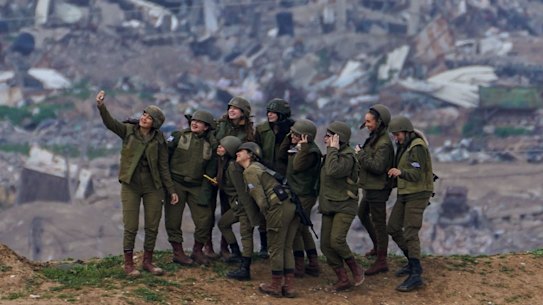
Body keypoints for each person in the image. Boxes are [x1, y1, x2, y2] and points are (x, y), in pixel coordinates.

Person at [95, 90, 179, 277]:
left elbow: (163, 167)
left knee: (152, 225)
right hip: (130, 185)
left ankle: (148, 261)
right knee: (131, 225)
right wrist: (101, 107)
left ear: (155, 123)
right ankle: (128, 264)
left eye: (149, 118)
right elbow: (110, 123)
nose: (144, 119)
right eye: (144, 115)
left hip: (153, 187)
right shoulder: (128, 131)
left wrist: (171, 190)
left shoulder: (159, 140)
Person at [236, 142, 299, 298]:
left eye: (241, 151)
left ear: (250, 154)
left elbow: (261, 200)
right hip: (291, 204)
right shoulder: (261, 168)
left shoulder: (250, 171)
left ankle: (276, 286)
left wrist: (267, 216)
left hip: (277, 207)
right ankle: (289, 287)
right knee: (286, 247)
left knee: (275, 247)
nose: (237, 153)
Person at [386, 116, 434, 292]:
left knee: (411, 232)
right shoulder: (405, 147)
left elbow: (416, 174)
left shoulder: (417, 148)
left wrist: (400, 172)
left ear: (406, 132)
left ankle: (416, 274)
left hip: (418, 193)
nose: (395, 138)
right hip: (405, 192)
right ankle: (412, 260)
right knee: (392, 227)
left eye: (397, 134)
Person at [164, 110, 218, 266]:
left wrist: (205, 190)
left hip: (197, 185)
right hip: (176, 183)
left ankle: (197, 250)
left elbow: (211, 170)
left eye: (199, 122)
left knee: (204, 219)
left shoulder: (210, 146)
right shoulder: (179, 137)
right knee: (173, 220)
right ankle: (178, 252)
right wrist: (167, 186)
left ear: (206, 127)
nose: (194, 123)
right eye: (193, 120)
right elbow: (165, 158)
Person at [318, 121, 364, 292]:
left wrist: (332, 149)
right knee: (325, 245)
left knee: (336, 240)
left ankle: (355, 269)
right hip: (329, 204)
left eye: (329, 136)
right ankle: (342, 278)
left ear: (339, 139)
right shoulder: (333, 154)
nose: (325, 139)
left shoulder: (347, 157)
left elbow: (333, 171)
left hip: (345, 205)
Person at [209, 96, 256, 259]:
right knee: (208, 211)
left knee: (228, 209)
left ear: (244, 113)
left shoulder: (248, 131)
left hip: (234, 173)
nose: (231, 110)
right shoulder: (221, 125)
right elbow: (213, 142)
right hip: (216, 169)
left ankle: (226, 248)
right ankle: (208, 247)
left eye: (236, 108)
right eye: (230, 107)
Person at [278, 119, 322, 278]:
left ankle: (299, 265)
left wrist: (302, 148)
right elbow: (281, 154)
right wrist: (289, 137)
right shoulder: (297, 147)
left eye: (296, 134)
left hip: (305, 194)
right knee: (302, 228)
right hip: (297, 192)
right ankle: (313, 263)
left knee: (295, 228)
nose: (293, 136)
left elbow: (297, 166)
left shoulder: (310, 152)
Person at [215, 136, 262, 281]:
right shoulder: (225, 163)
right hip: (237, 205)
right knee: (223, 223)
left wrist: (249, 213)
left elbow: (242, 191)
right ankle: (236, 253)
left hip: (242, 206)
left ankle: (245, 268)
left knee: (246, 235)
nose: (219, 148)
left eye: (222, 146)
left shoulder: (232, 167)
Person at [355, 104, 394, 275]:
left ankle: (381, 260)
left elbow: (378, 167)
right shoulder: (375, 138)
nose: (367, 125)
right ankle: (377, 248)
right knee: (362, 214)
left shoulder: (384, 143)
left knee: (379, 224)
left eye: (369, 121)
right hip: (370, 187)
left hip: (378, 189)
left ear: (379, 122)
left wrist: (361, 154)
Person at [254, 98, 294, 258]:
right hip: (266, 173)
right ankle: (264, 246)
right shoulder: (262, 130)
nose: (269, 114)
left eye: (274, 112)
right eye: (268, 112)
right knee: (263, 211)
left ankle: (285, 249)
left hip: (285, 175)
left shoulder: (292, 130)